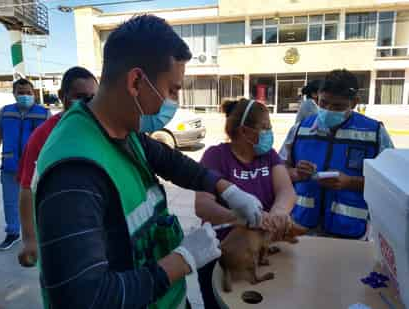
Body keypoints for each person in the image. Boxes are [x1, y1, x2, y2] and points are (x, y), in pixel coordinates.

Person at [33, 15, 264, 308]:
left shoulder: (122, 129)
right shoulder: (74, 173)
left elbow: (172, 161)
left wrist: (227, 189)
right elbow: (84, 299)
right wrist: (182, 260)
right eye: (172, 90)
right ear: (136, 81)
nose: (173, 103)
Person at [195, 98, 296, 309]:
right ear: (244, 131)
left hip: (258, 254)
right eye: (265, 127)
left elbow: (286, 190)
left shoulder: (269, 156)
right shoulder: (216, 156)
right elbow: (202, 205)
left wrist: (278, 211)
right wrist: (237, 217)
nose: (270, 132)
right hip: (221, 258)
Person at [284, 69, 394, 239]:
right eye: (323, 103)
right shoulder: (300, 129)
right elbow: (279, 171)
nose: (328, 110)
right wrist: (295, 173)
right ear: (317, 97)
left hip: (351, 234)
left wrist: (351, 182)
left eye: (337, 106)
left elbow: (391, 185)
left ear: (355, 102)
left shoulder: (374, 133)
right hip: (301, 228)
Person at [17, 67, 98, 267]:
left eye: (92, 97)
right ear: (63, 96)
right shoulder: (44, 136)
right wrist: (29, 240)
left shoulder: (101, 129)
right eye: (80, 97)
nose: (87, 103)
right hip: (59, 229)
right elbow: (27, 188)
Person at [0, 79, 50, 250]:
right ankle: (13, 233)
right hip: (10, 164)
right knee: (10, 202)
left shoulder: (44, 113)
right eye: (20, 92)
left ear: (33, 93)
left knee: (37, 201)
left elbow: (51, 140)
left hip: (34, 167)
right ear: (14, 93)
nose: (25, 96)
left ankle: (38, 235)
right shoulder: (5, 112)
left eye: (28, 92)